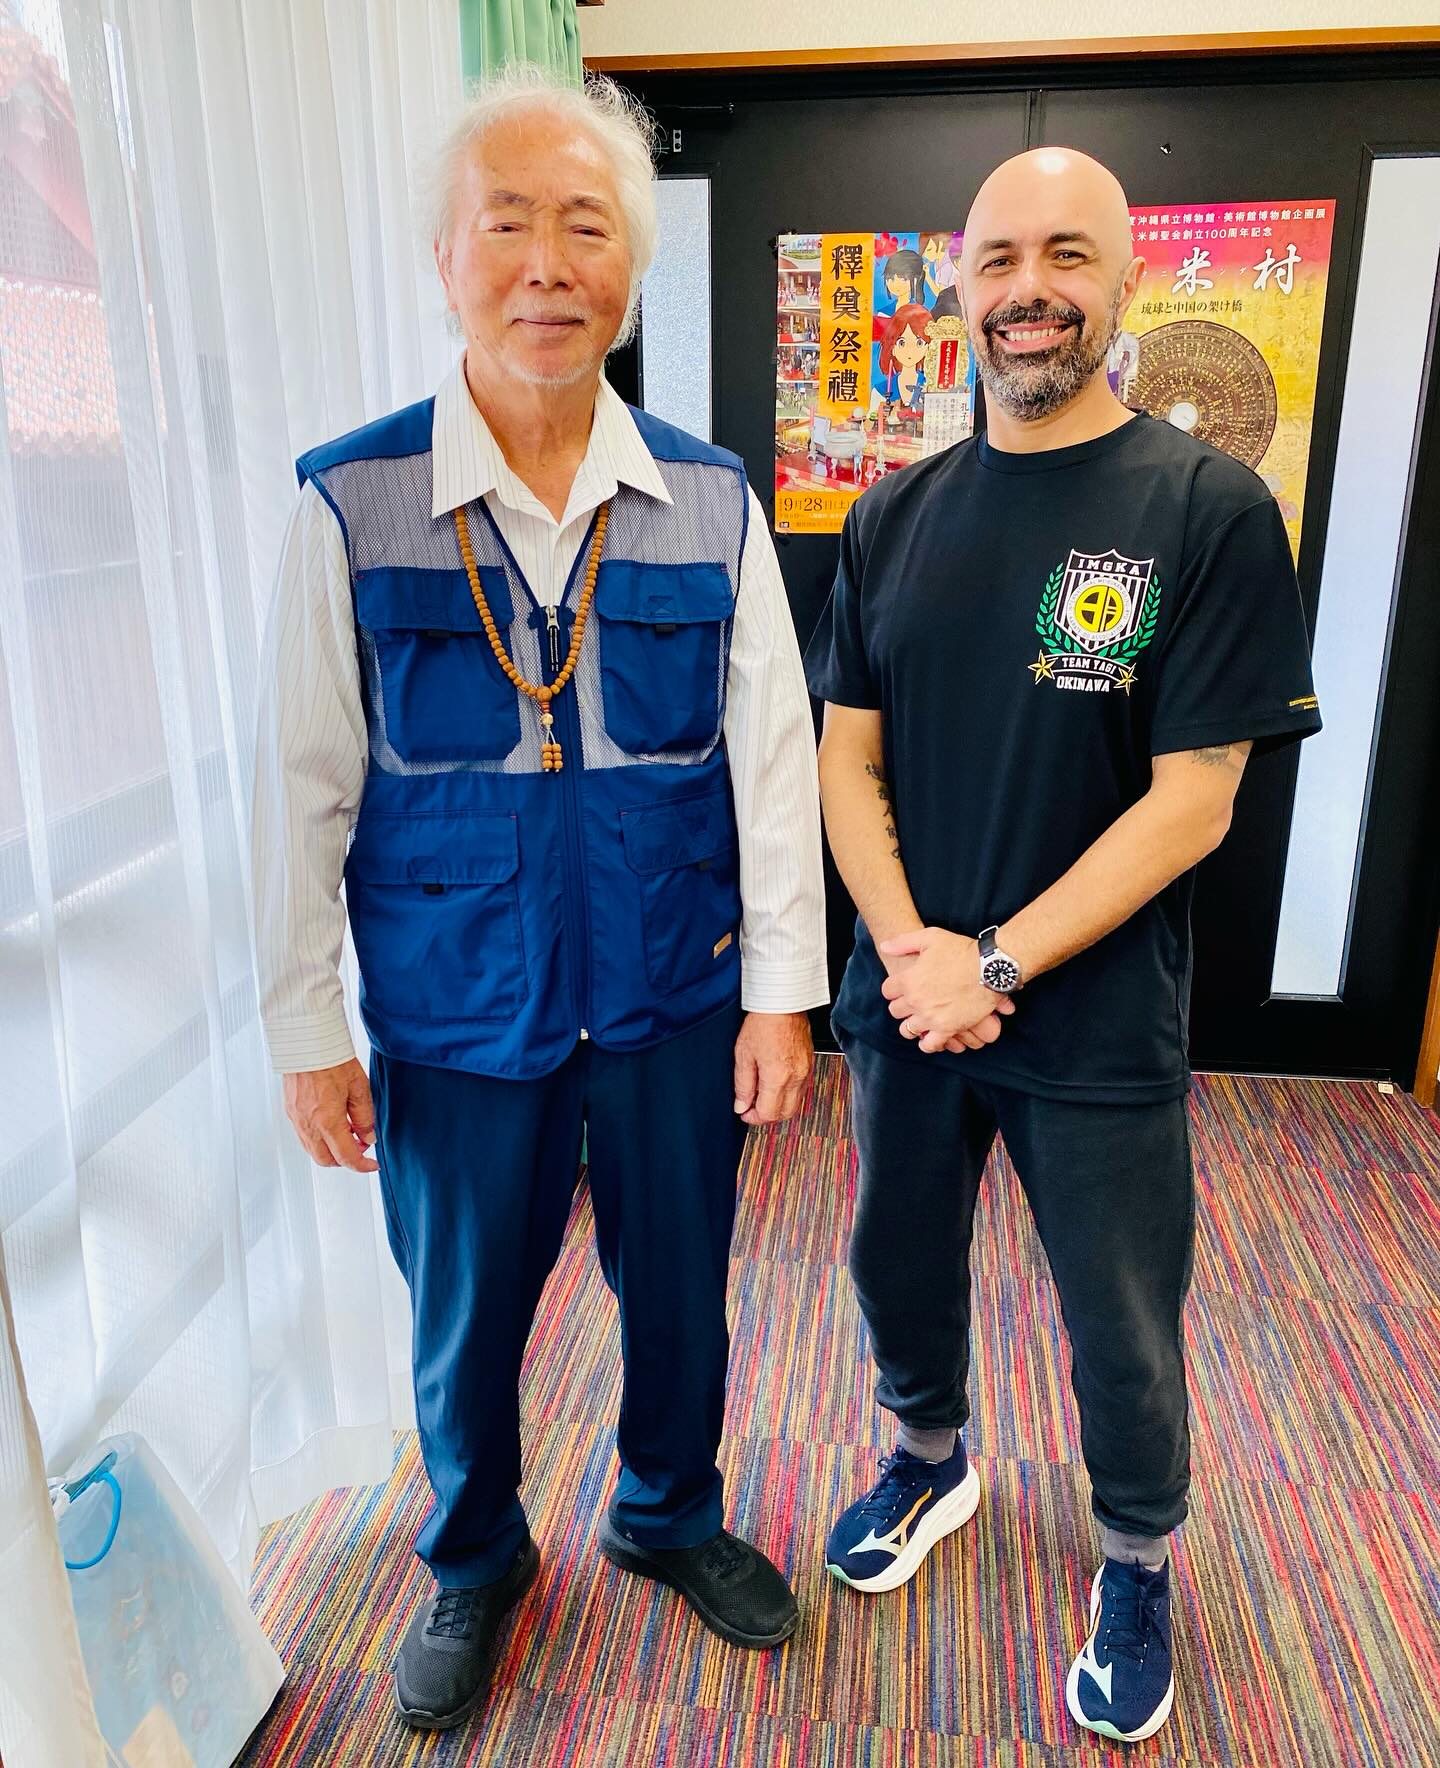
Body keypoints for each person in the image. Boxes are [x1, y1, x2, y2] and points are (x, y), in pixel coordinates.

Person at [252, 66, 828, 1733]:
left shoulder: (711, 502)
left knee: (687, 1288)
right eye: (507, 225)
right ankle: (473, 1553)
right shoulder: (352, 501)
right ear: (446, 258)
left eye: (587, 228)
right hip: (453, 1007)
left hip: (670, 993)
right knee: (465, 1315)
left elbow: (772, 764)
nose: (548, 265)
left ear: (628, 269)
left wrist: (782, 996)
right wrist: (306, 1027)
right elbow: (300, 786)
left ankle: (667, 1512)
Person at [805, 147, 1321, 1746]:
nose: (1031, 289)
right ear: (961, 286)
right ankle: (928, 1460)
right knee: (896, 1263)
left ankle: (1135, 1558)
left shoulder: (1206, 508)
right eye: (1001, 258)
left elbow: (1195, 802)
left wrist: (995, 967)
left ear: (1125, 281)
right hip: (908, 1003)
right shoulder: (893, 514)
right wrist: (914, 954)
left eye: (1069, 255)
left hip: (1093, 1023)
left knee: (1120, 1321)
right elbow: (845, 759)